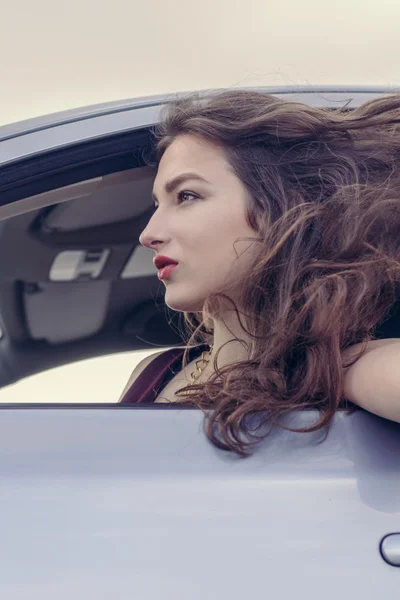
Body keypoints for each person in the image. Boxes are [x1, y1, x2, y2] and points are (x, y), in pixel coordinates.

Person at [120, 89, 400, 457]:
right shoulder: (155, 372)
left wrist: (336, 371)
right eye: (157, 204)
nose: (149, 234)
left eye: (186, 196)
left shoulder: (352, 363)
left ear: (278, 208)